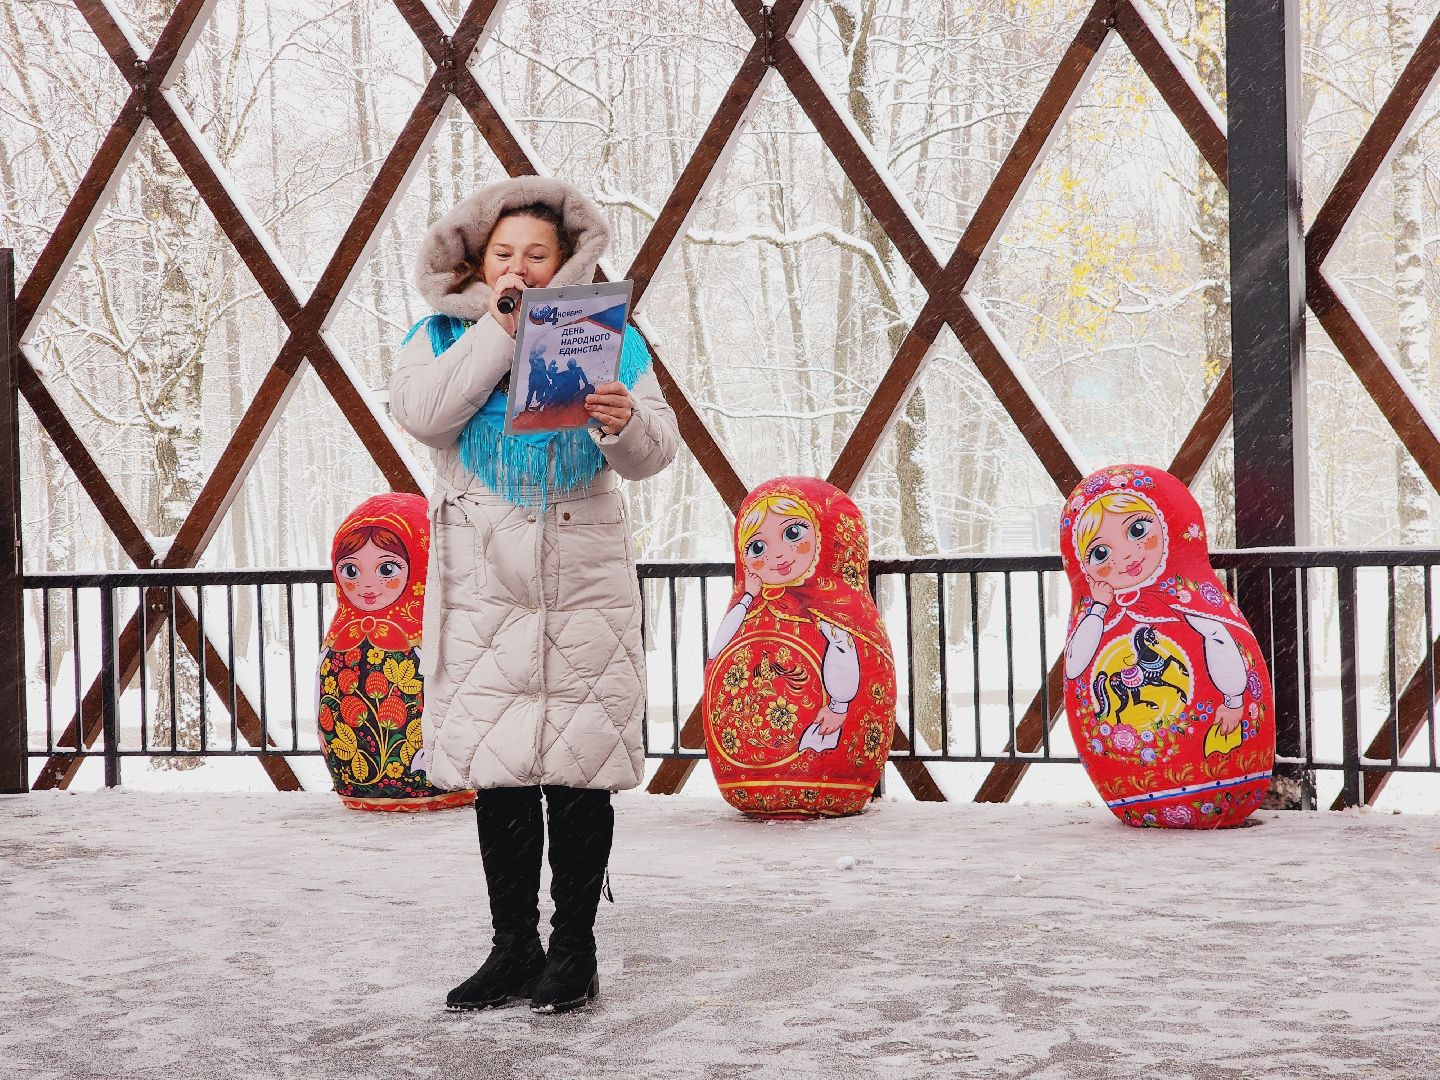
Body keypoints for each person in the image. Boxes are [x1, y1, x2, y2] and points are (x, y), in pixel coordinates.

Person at [388, 177, 679, 1014]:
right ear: (480, 262)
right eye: (503, 254)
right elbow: (425, 412)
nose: (519, 267)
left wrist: (622, 421)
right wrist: (497, 330)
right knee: (502, 768)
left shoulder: (613, 339)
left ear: (566, 264)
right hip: (484, 579)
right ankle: (511, 946)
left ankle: (574, 950)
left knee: (579, 768)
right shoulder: (441, 332)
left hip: (581, 567)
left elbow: (654, 453)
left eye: (537, 256)